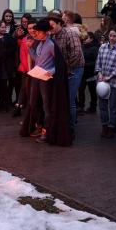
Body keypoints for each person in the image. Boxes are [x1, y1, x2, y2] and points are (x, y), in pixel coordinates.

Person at [20, 18, 71, 146]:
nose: (36, 34)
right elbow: (37, 59)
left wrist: (52, 71)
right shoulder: (40, 43)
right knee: (32, 102)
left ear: (46, 32)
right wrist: (30, 49)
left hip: (45, 79)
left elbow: (59, 63)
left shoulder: (51, 44)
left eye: (38, 32)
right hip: (36, 76)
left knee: (46, 105)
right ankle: (39, 125)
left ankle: (46, 131)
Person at [49, 11, 85, 135]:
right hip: (63, 70)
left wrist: (64, 69)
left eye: (52, 25)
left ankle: (71, 126)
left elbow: (76, 54)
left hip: (75, 69)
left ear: (60, 23)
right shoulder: (53, 36)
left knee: (69, 98)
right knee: (64, 97)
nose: (50, 28)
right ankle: (65, 124)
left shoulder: (70, 33)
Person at [95, 26, 116, 139]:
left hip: (114, 81)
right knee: (102, 105)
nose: (112, 38)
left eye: (114, 36)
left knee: (113, 106)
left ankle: (112, 127)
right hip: (102, 80)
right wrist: (100, 73)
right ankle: (104, 126)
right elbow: (99, 61)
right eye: (110, 35)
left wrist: (111, 76)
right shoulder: (102, 47)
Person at [14, 22, 35, 117]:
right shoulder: (25, 39)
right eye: (29, 28)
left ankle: (29, 109)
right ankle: (18, 106)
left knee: (31, 90)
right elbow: (22, 55)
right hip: (27, 68)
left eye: (33, 28)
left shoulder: (39, 39)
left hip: (36, 69)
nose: (31, 30)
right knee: (24, 88)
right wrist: (28, 69)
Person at [79, 26, 99, 114]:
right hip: (83, 73)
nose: (84, 39)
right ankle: (81, 107)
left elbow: (96, 61)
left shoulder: (95, 48)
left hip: (91, 73)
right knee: (81, 90)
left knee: (92, 91)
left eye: (86, 38)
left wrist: (85, 64)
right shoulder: (82, 47)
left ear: (91, 39)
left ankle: (93, 107)